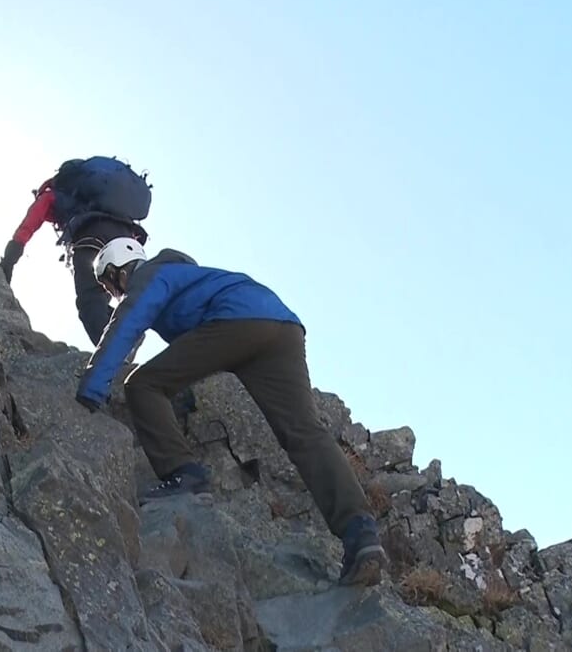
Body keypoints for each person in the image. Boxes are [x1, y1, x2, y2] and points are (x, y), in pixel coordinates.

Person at [74, 237, 387, 586]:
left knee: (142, 384)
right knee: (304, 433)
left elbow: (127, 322)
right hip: (281, 326)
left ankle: (184, 474)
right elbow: (196, 353)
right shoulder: (185, 275)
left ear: (119, 270)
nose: (112, 292)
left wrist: (92, 387)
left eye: (108, 283)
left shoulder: (151, 274)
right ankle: (360, 535)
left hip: (236, 321)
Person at [0, 157, 150, 347]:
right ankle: (130, 337)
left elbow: (30, 223)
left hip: (92, 239)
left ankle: (112, 360)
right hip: (128, 243)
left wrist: (9, 260)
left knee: (89, 302)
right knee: (113, 298)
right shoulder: (102, 198)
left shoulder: (54, 194)